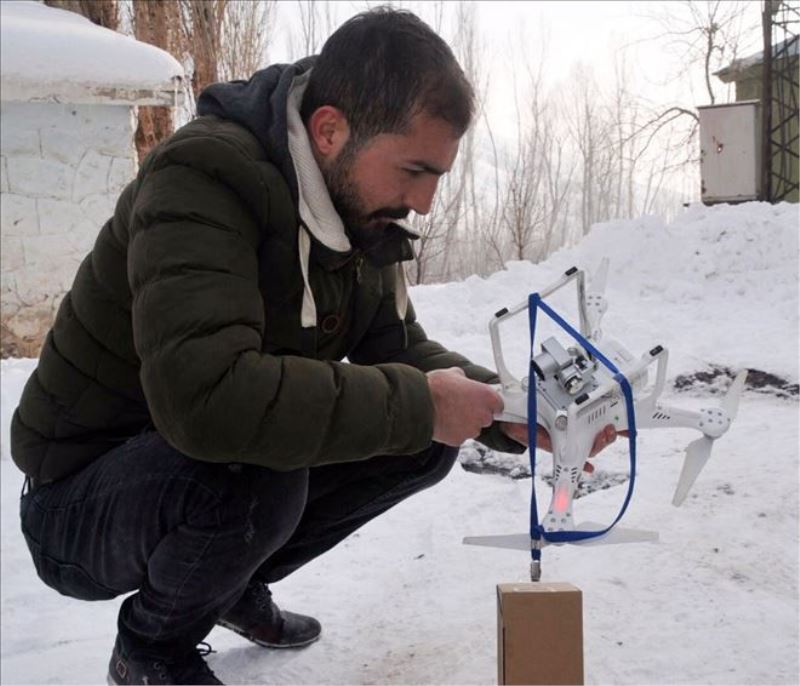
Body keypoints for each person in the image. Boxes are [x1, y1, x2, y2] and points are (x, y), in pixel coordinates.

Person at [10, 7, 619, 685]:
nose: (423, 203)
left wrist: (509, 409)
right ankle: (151, 648)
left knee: (420, 441)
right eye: (414, 171)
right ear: (330, 131)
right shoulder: (201, 177)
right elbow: (203, 400)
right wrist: (421, 402)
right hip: (78, 500)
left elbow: (400, 351)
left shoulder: (356, 211)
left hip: (185, 469)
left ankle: (225, 585)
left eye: (437, 177)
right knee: (259, 471)